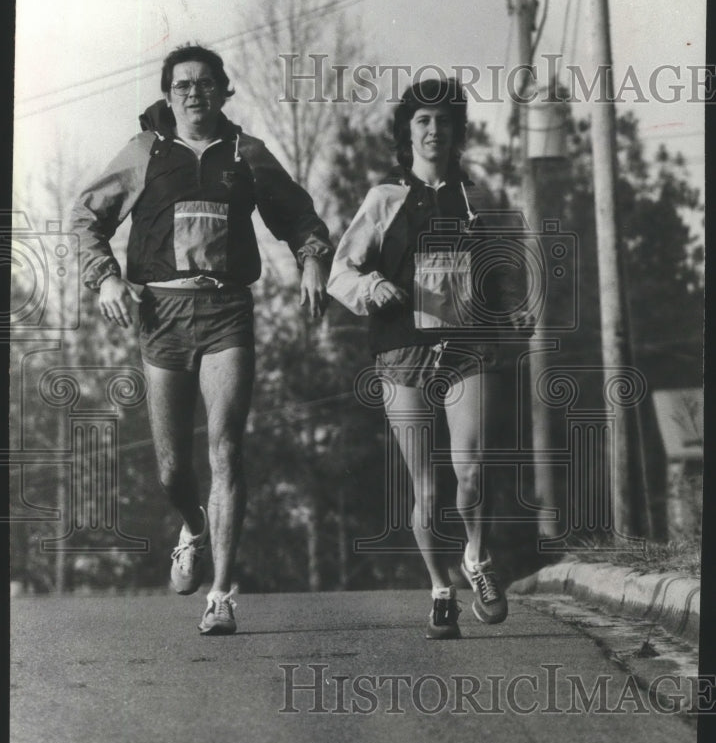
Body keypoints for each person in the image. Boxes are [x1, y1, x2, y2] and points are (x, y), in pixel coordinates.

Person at [72, 44, 333, 635]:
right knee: (171, 469)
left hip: (225, 312)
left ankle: (221, 594)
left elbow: (299, 217)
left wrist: (313, 259)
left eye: (206, 84)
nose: (195, 94)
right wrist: (106, 277)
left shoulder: (246, 153)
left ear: (223, 91)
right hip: (161, 312)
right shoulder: (145, 152)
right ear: (168, 96)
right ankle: (193, 526)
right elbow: (87, 217)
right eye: (184, 85)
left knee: (226, 449)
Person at [327, 78, 533, 639]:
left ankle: (477, 559)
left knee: (472, 470)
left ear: (457, 131)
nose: (433, 130)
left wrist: (516, 308)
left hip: (470, 347)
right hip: (402, 353)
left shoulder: (477, 199)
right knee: (428, 487)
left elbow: (506, 271)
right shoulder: (384, 199)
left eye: (443, 121)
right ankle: (441, 588)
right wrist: (372, 287)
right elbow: (340, 270)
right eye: (422, 121)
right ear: (408, 132)